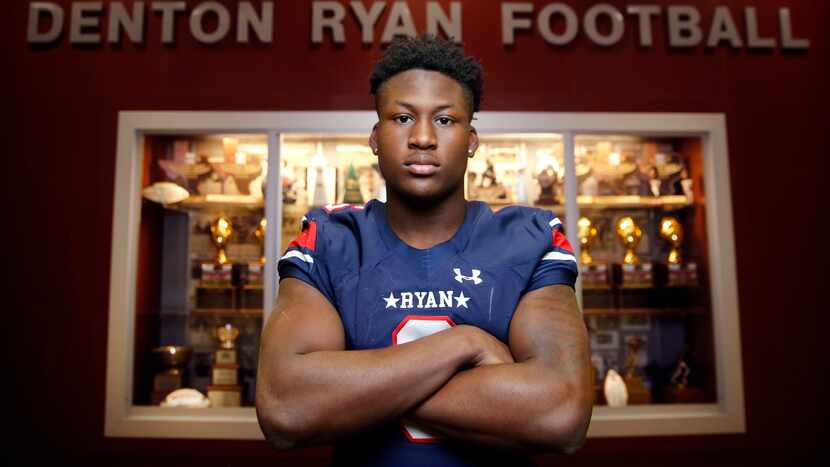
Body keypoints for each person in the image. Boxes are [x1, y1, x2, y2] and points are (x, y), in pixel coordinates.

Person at [256, 35, 593, 467]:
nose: (422, 138)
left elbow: (561, 415)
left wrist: (357, 390)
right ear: (376, 137)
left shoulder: (528, 238)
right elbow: (285, 407)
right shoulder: (332, 241)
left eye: (446, 120)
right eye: (401, 117)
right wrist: (465, 344)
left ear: (472, 140)